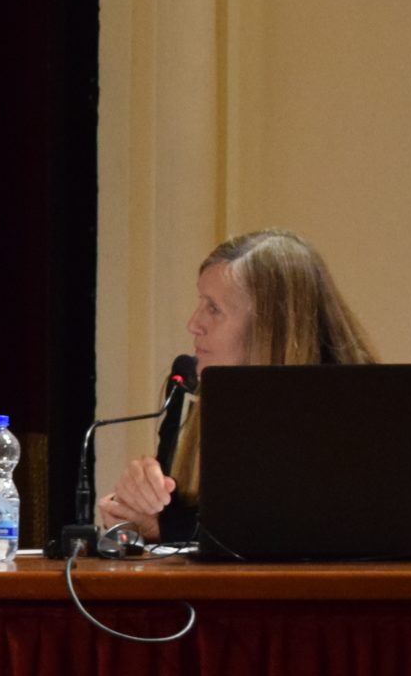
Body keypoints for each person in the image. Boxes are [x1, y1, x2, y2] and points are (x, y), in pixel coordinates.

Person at [96, 228, 376, 543]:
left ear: (269, 327)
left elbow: (300, 532)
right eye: (201, 303)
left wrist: (167, 529)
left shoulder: (357, 409)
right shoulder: (189, 384)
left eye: (213, 309)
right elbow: (185, 522)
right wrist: (138, 506)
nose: (193, 324)